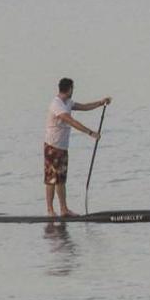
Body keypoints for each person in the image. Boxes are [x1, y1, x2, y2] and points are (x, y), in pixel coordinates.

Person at [44, 77, 111, 217]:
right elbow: (71, 121)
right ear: (68, 89)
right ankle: (50, 210)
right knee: (51, 179)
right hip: (52, 146)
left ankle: (64, 209)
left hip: (62, 147)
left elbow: (84, 107)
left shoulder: (68, 102)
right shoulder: (57, 104)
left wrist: (100, 103)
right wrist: (90, 132)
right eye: (73, 88)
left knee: (61, 179)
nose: (73, 91)